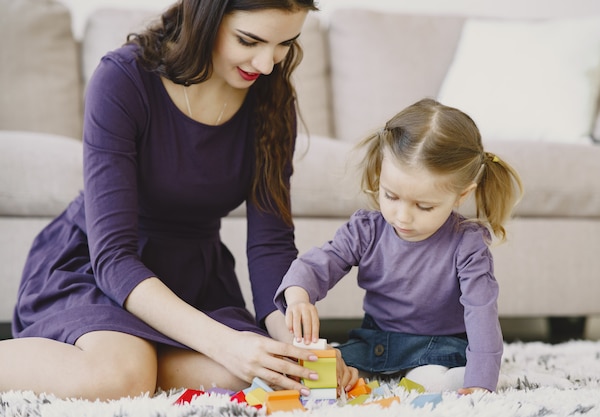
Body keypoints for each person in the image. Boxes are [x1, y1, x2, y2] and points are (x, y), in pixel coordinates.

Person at [0, 0, 357, 401]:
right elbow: (113, 257)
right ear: (205, 16)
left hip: (193, 278)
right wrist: (226, 344)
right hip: (98, 270)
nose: (267, 64)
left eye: (284, 44)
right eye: (248, 40)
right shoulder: (123, 78)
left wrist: (302, 350)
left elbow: (270, 246)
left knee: (259, 376)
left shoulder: (273, 100)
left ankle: (136, 358)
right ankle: (123, 361)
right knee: (121, 377)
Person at [274, 98, 523, 394]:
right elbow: (317, 265)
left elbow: (482, 315)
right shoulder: (366, 230)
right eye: (391, 196)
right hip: (376, 344)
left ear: (461, 196)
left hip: (438, 347)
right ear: (381, 174)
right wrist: (299, 297)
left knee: (431, 381)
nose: (402, 217)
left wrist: (481, 384)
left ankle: (438, 379)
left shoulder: (467, 244)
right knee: (324, 368)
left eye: (424, 206)